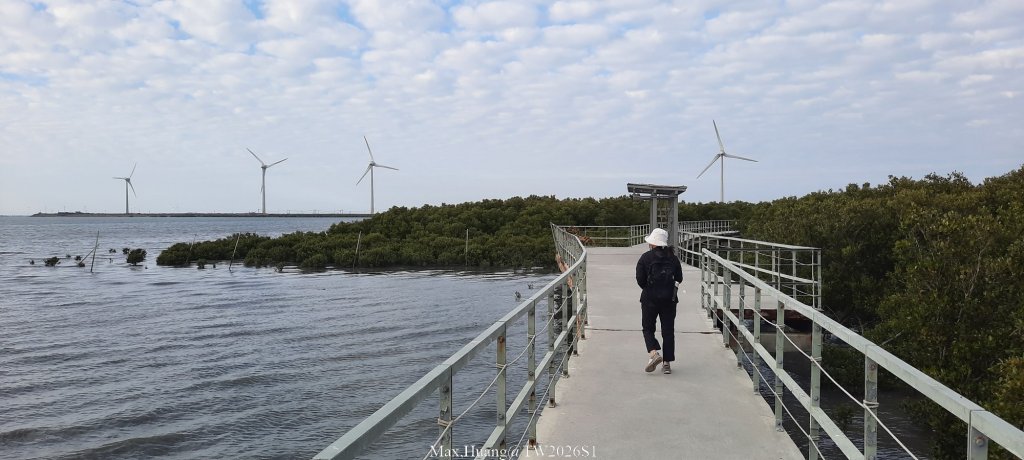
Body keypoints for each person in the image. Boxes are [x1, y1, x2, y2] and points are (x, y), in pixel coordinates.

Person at [635, 228, 683, 374]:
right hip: (669, 300)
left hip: (650, 299)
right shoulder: (673, 258)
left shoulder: (645, 258)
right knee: (668, 331)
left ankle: (654, 354)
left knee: (648, 328)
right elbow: (679, 278)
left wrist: (649, 289)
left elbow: (640, 279)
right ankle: (667, 364)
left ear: (652, 243)